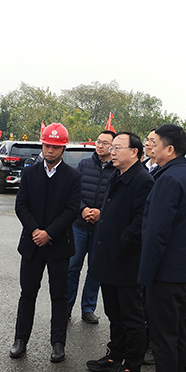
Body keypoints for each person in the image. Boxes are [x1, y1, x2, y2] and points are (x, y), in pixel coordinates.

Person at [130, 124, 186, 372]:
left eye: (155, 144)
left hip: (165, 274)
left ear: (170, 149)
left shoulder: (170, 179)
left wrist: (145, 276)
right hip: (183, 272)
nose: (151, 148)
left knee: (163, 341)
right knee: (176, 338)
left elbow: (156, 232)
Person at [10, 123, 82, 363]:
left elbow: (71, 210)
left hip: (59, 246)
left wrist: (49, 233)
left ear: (63, 149)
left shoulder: (73, 177)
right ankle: (20, 340)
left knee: (59, 296)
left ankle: (58, 343)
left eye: (55, 147)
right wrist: (35, 231)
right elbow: (21, 206)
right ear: (42, 145)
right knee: (27, 293)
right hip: (32, 245)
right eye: (47, 145)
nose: (50, 150)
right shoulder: (30, 173)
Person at [87, 132, 154, 372]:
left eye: (117, 148)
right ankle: (115, 354)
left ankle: (131, 367)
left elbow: (140, 223)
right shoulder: (117, 175)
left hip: (127, 260)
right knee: (114, 312)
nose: (111, 152)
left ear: (134, 152)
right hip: (109, 257)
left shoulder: (142, 180)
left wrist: (122, 242)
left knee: (131, 316)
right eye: (111, 147)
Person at [67, 130, 116, 324]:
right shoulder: (84, 164)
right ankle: (66, 307)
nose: (100, 146)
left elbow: (116, 199)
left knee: (95, 270)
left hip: (101, 229)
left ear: (113, 147)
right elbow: (73, 192)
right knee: (72, 268)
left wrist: (101, 213)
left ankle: (88, 308)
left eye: (105, 143)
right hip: (79, 226)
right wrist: (83, 209)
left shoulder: (117, 170)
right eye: (98, 142)